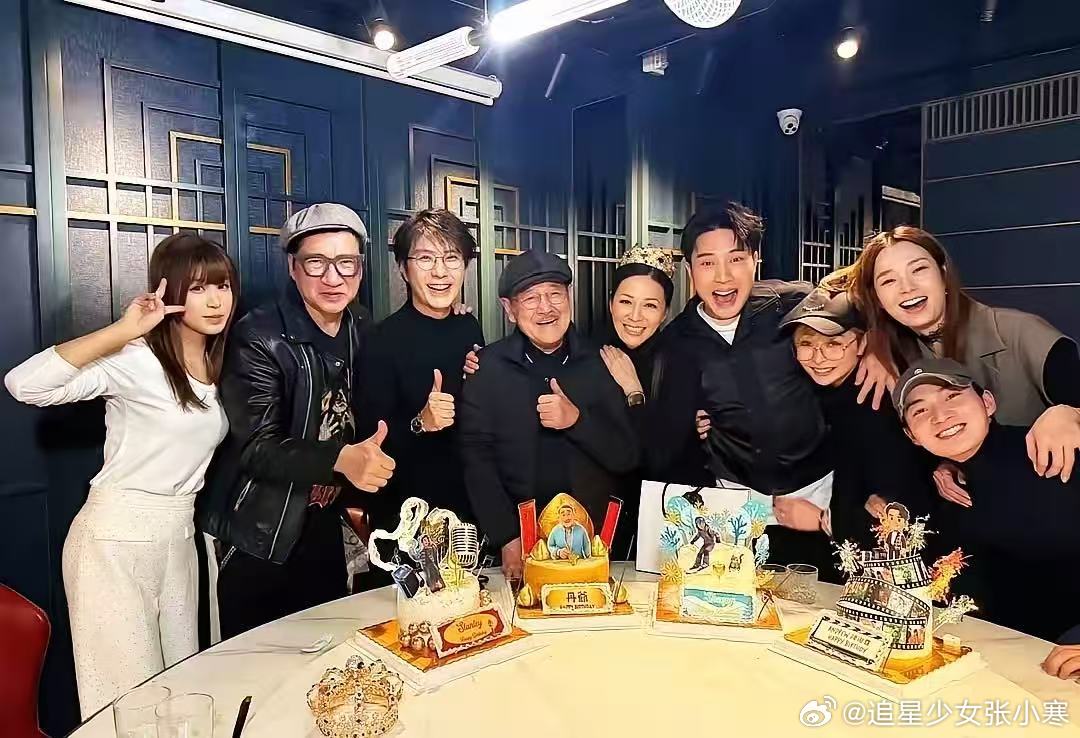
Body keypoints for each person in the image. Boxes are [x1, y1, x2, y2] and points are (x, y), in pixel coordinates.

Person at [5, 235, 237, 716]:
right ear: (168, 291)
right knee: (129, 701)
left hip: (179, 539)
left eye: (223, 286)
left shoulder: (219, 366)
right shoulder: (137, 359)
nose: (216, 301)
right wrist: (123, 330)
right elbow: (24, 385)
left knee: (182, 690)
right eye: (198, 289)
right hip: (114, 541)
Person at [198, 203, 396, 638]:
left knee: (327, 653)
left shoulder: (362, 325)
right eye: (316, 263)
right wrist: (341, 459)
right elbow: (256, 446)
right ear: (293, 267)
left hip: (327, 526)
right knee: (258, 661)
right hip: (264, 531)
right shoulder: (259, 335)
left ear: (360, 268)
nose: (333, 278)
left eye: (346, 263)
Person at [650, 202, 836, 570]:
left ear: (755, 260)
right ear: (689, 270)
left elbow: (855, 327)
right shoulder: (675, 342)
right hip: (737, 505)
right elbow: (669, 434)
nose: (722, 277)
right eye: (707, 263)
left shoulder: (794, 305)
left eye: (735, 259)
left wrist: (877, 356)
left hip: (819, 492)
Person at [849, 226, 1080, 508]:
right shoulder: (895, 356)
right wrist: (947, 460)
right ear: (878, 299)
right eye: (888, 281)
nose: (907, 287)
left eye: (919, 269)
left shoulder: (1023, 335)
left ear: (943, 274)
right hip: (980, 509)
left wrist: (1070, 412)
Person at [459, 249, 639, 579]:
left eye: (555, 294)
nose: (546, 307)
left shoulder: (602, 362)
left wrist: (577, 421)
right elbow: (476, 459)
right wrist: (506, 536)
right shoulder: (487, 368)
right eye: (531, 298)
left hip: (593, 545)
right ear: (509, 309)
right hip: (518, 542)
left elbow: (626, 456)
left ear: (569, 297)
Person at [894, 357, 1080, 641]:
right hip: (1005, 650)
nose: (940, 416)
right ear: (912, 435)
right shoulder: (938, 497)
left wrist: (1072, 412)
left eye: (952, 396)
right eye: (920, 410)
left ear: (988, 403)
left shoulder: (1051, 450)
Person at [359, 209, 484, 563]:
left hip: (466, 510)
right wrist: (421, 422)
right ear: (403, 268)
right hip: (407, 518)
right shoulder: (381, 341)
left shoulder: (468, 326)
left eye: (451, 258)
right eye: (425, 258)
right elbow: (369, 442)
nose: (440, 272)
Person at [778, 287, 934, 552]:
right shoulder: (820, 391)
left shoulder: (876, 405)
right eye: (806, 344)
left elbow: (904, 509)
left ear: (863, 344)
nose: (818, 358)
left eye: (833, 345)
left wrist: (824, 521)